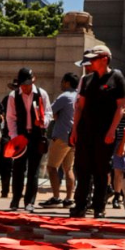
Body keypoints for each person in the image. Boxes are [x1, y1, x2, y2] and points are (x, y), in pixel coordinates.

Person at [70, 45, 125, 219]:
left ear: (104, 59)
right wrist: (74, 130)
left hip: (105, 132)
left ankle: (99, 207)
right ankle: (80, 205)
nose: (91, 62)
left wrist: (112, 131)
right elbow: (80, 106)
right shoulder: (87, 79)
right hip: (85, 131)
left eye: (94, 58)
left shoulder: (117, 77)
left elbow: (121, 106)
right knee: (82, 169)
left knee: (101, 170)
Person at [6, 67, 53, 211]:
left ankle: (29, 201)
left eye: (27, 84)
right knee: (18, 168)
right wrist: (14, 137)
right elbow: (11, 118)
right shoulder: (13, 95)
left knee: (34, 170)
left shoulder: (41, 93)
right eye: (22, 85)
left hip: (36, 135)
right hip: (20, 135)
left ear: (33, 80)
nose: (25, 87)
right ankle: (15, 199)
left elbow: (49, 113)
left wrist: (43, 122)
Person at [43, 72, 78, 208]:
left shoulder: (64, 96)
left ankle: (56, 197)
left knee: (52, 167)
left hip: (62, 136)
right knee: (68, 168)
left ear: (67, 82)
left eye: (62, 81)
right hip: (73, 137)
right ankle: (69, 198)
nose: (60, 84)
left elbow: (50, 111)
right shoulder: (78, 97)